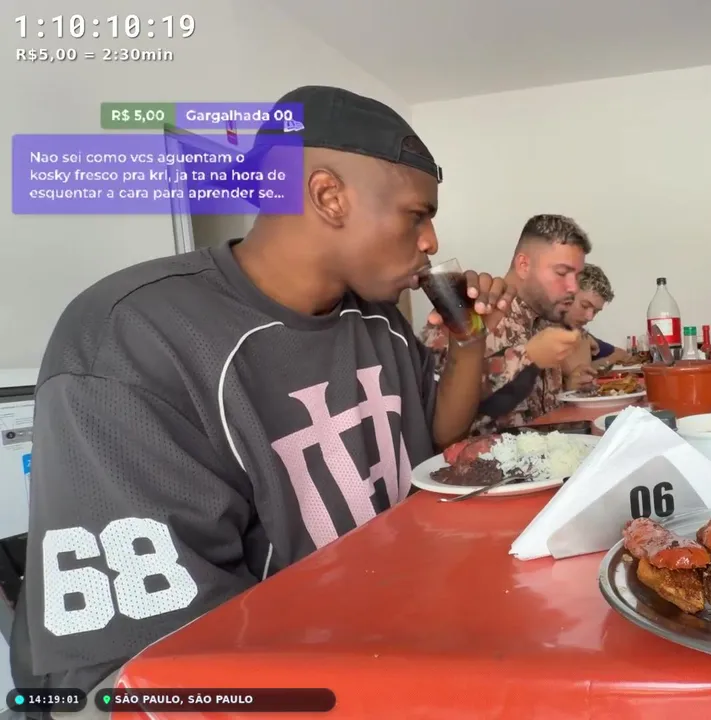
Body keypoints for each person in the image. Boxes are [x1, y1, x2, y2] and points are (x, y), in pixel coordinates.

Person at [10, 86, 516, 711]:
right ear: (328, 195)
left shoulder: (377, 320)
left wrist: (470, 339)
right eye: (418, 214)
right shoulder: (134, 339)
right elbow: (147, 673)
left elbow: (436, 439)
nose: (432, 240)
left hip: (389, 634)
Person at [421, 215, 587, 434]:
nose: (573, 288)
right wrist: (527, 357)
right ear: (524, 265)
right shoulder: (470, 311)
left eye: (577, 276)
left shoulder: (546, 322)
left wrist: (571, 386)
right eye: (562, 273)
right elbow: (435, 418)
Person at [562, 264, 626, 390]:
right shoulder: (533, 332)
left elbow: (620, 354)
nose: (590, 317)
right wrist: (567, 387)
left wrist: (597, 366)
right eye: (584, 306)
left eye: (595, 311)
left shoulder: (583, 335)